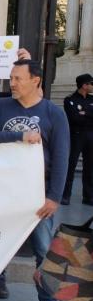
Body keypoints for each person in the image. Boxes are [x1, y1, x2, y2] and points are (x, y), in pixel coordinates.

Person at [0, 59, 69, 301]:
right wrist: (18, 136)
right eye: (11, 78)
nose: (12, 83)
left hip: (37, 197)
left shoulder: (54, 113)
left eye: (17, 78)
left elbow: (62, 158)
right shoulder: (1, 106)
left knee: (43, 250)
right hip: (2, 192)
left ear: (35, 80)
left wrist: (53, 197)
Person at [61, 73, 93, 205]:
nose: (92, 86)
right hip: (76, 136)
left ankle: (88, 196)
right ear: (84, 85)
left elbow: (81, 116)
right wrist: (88, 114)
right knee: (70, 165)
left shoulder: (92, 99)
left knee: (90, 167)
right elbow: (73, 118)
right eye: (91, 83)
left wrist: (84, 113)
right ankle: (65, 195)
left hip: (91, 135)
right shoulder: (69, 99)